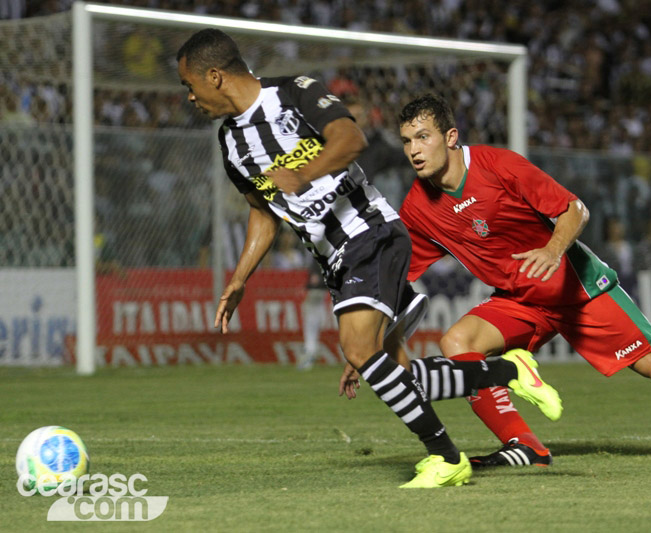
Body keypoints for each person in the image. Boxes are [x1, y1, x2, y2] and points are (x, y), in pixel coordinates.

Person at [176, 29, 562, 488]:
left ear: (215, 76)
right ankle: (508, 370)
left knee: (359, 349)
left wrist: (301, 172)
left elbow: (350, 139)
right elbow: (264, 212)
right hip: (335, 261)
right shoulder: (231, 145)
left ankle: (446, 457)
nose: (189, 97)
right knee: (392, 374)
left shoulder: (294, 93)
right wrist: (240, 278)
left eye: (190, 85)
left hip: (369, 231)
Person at [393, 93, 651, 464]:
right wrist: (368, 347)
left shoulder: (499, 165)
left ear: (450, 136)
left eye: (422, 137)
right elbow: (399, 277)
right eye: (407, 141)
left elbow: (575, 209)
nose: (414, 150)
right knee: (458, 342)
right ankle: (525, 446)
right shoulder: (417, 206)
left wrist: (553, 251)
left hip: (578, 288)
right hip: (521, 301)